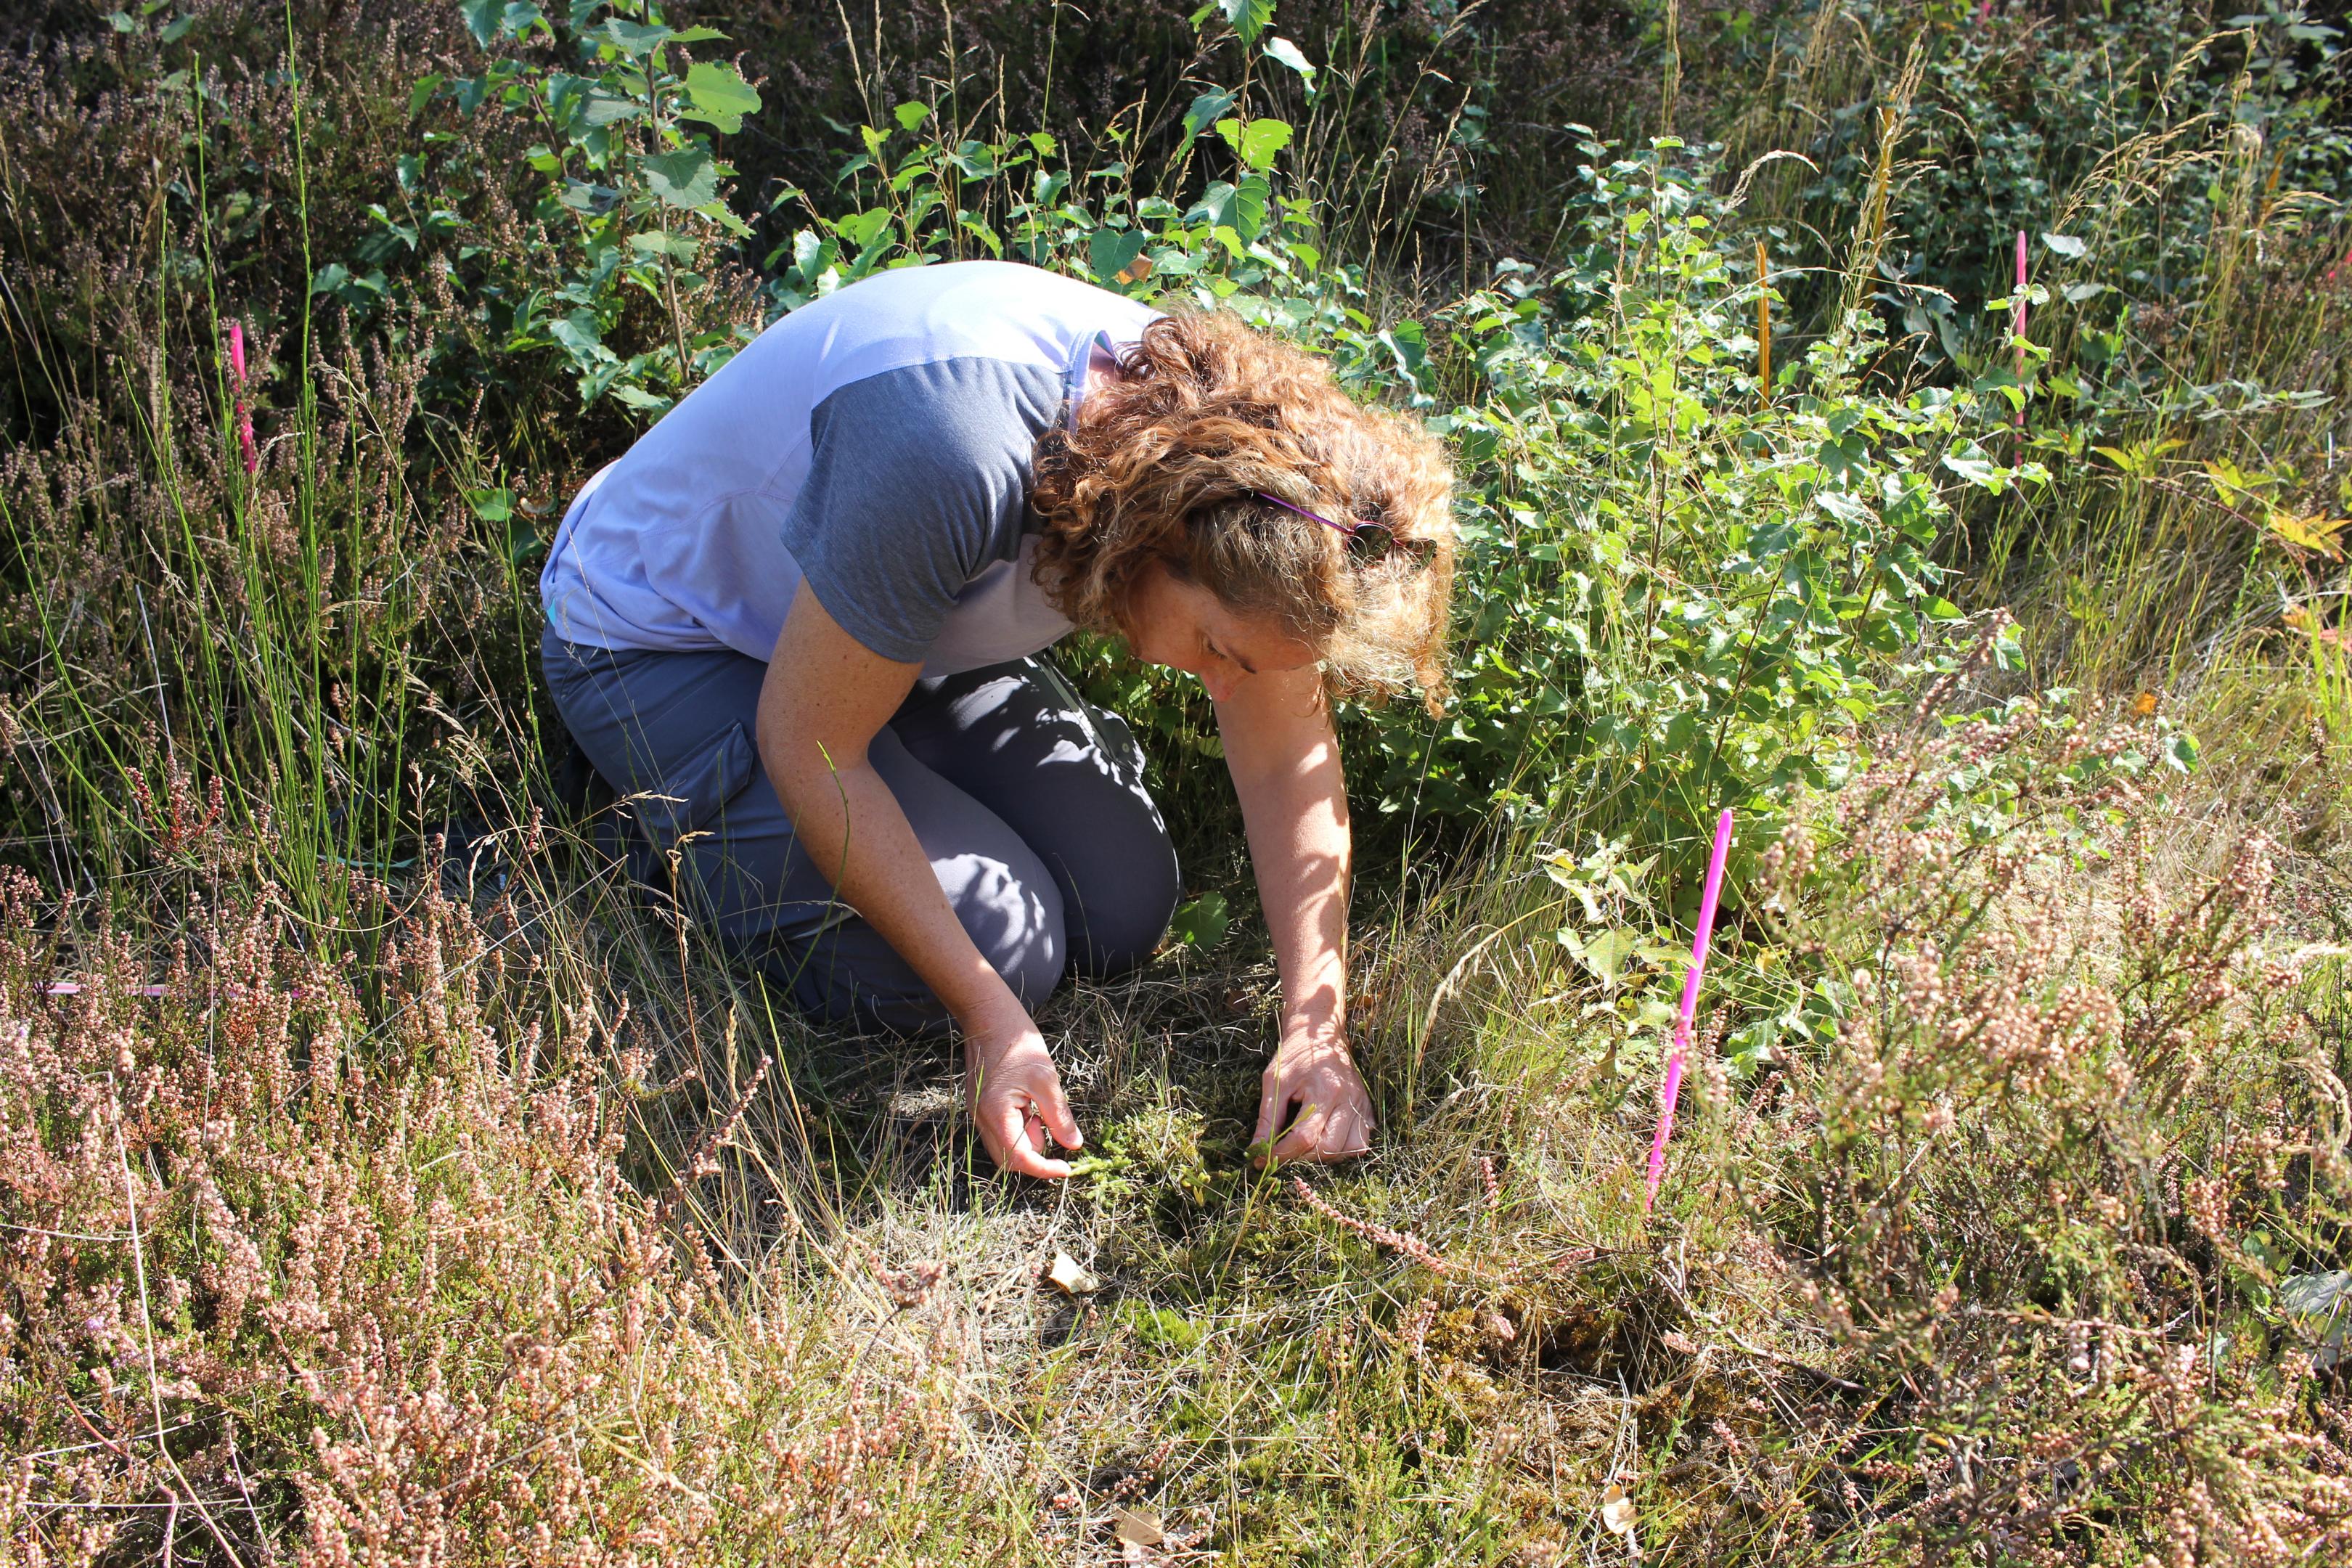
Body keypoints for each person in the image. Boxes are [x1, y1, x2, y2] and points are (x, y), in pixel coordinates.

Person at [539, 260, 1454, 1179]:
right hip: (663, 639)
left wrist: (1315, 1029)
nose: (1224, 686)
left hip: (891, 629)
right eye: (1219, 649)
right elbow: (812, 749)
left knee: (1124, 901)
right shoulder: (951, 454)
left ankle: (867, 780)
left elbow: (1285, 756)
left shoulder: (1250, 495)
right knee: (1007, 953)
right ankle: (657, 837)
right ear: (1163, 541)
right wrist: (990, 1020)